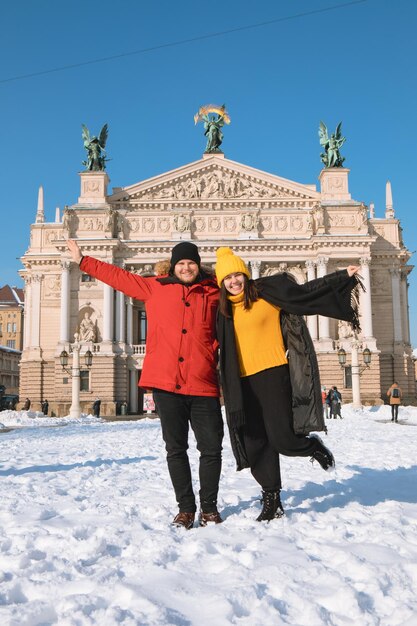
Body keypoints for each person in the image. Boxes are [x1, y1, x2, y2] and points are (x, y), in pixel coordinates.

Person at [67, 238, 224, 530]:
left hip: (203, 382)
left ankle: (210, 508)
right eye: (181, 263)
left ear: (198, 265)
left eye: (191, 262)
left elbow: (244, 295)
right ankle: (186, 509)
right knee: (175, 450)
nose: (187, 267)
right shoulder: (154, 287)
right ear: (174, 266)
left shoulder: (214, 292)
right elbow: (119, 277)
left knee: (212, 449)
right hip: (167, 383)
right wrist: (83, 260)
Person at [215, 247, 362, 522]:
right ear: (221, 283)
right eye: (228, 278)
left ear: (245, 275)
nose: (234, 281)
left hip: (273, 374)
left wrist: (340, 276)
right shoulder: (222, 311)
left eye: (238, 274)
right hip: (240, 382)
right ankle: (272, 498)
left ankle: (312, 446)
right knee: (255, 441)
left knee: (282, 438)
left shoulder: (266, 296)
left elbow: (304, 294)